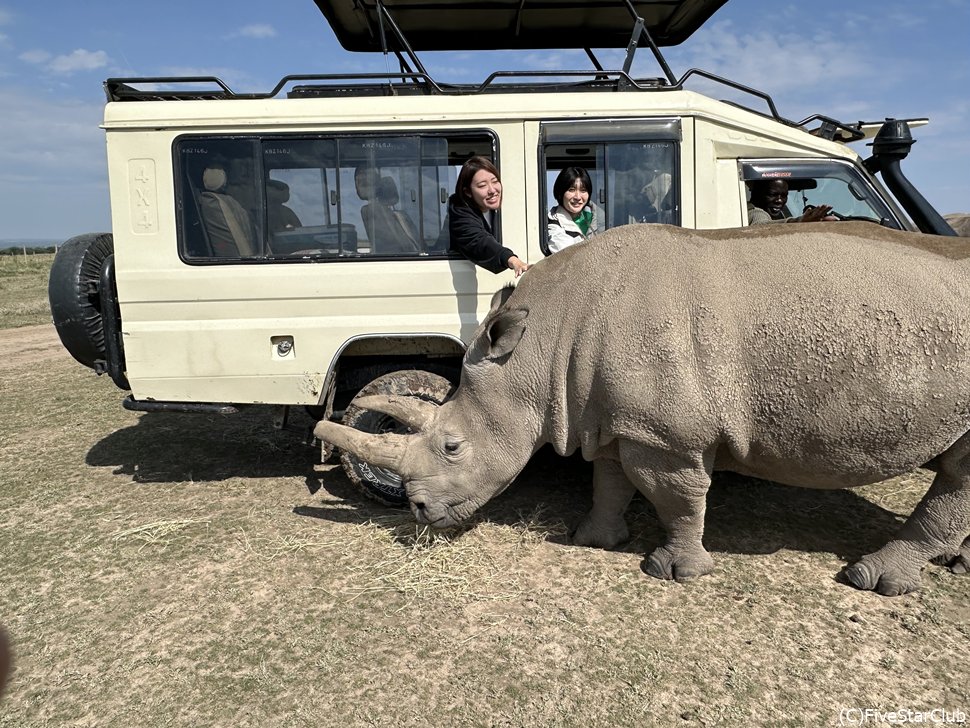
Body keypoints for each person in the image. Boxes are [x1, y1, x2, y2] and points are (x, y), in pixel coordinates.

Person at [447, 156, 529, 276]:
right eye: (482, 186)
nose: (492, 190)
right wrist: (511, 259)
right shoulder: (460, 213)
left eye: (495, 181)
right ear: (467, 192)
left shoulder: (490, 207)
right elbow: (479, 241)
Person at [547, 166, 601, 253]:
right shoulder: (553, 224)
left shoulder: (598, 216)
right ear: (560, 193)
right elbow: (569, 255)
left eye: (583, 191)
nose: (578, 197)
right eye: (571, 190)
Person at [747, 179, 834, 224]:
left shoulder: (777, 213)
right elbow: (762, 226)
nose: (779, 200)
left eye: (784, 196)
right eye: (772, 194)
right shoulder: (754, 212)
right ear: (757, 193)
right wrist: (800, 221)